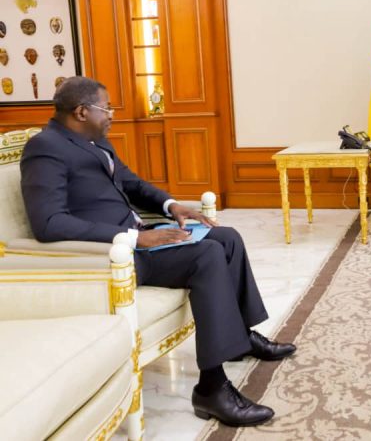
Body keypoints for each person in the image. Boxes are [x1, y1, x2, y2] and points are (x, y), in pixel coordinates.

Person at [20, 76, 296, 427]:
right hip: (113, 256)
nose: (112, 115)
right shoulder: (45, 148)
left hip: (137, 238)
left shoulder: (95, 141)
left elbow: (132, 184)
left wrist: (171, 205)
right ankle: (211, 388)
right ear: (81, 111)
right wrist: (134, 239)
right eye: (107, 108)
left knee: (226, 237)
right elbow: (48, 223)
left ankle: (242, 338)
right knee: (207, 255)